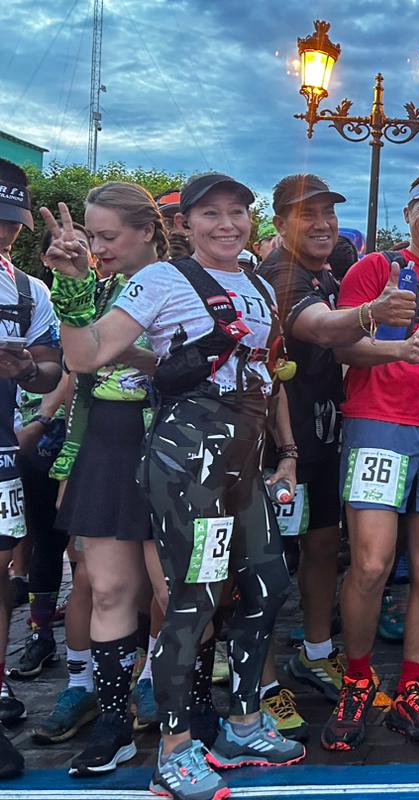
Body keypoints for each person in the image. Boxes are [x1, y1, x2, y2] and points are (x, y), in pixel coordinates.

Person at [46, 172, 305, 800]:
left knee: (267, 585)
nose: (227, 224)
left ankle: (242, 724)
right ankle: (174, 746)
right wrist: (76, 287)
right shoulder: (160, 280)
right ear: (183, 224)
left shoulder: (260, 286)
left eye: (238, 212)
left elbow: (269, 380)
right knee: (194, 598)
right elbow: (87, 357)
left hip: (243, 460)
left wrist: (286, 454)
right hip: (188, 457)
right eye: (210, 214)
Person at [258, 173, 417, 739]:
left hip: (324, 437)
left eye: (328, 213)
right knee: (265, 568)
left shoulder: (324, 272)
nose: (322, 223)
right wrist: (375, 312)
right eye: (308, 215)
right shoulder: (280, 274)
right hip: (276, 447)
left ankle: (316, 651)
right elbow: (319, 328)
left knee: (325, 546)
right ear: (279, 225)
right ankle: (263, 683)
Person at [322, 174, 419, 751]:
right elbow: (342, 347)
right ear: (410, 212)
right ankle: (358, 678)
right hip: (379, 427)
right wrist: (395, 348)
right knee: (371, 563)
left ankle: (411, 686)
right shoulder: (376, 270)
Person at [41, 184, 173, 777]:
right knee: (109, 590)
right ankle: (115, 724)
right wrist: (71, 281)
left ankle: (173, 711)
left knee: (173, 594)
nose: (97, 247)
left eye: (107, 237)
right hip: (105, 445)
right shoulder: (96, 289)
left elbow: (209, 372)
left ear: (146, 230)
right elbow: (77, 363)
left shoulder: (183, 284)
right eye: (91, 237)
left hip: (170, 447)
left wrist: (145, 360)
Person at [0, 161, 66, 780]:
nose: (4, 234)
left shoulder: (30, 290)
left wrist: (29, 373)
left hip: (6, 448)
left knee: (3, 574)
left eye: (11, 224)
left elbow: (51, 366)